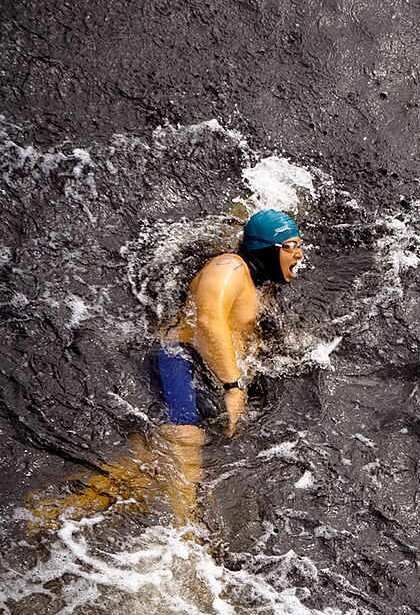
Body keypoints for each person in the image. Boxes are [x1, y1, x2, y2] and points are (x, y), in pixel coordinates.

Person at [27, 209, 305, 530]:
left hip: (206, 377)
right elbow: (208, 321)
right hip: (180, 362)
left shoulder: (261, 285)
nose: (298, 254)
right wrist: (233, 386)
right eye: (289, 245)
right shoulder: (228, 267)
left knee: (151, 473)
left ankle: (51, 511)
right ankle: (189, 545)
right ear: (265, 248)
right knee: (186, 453)